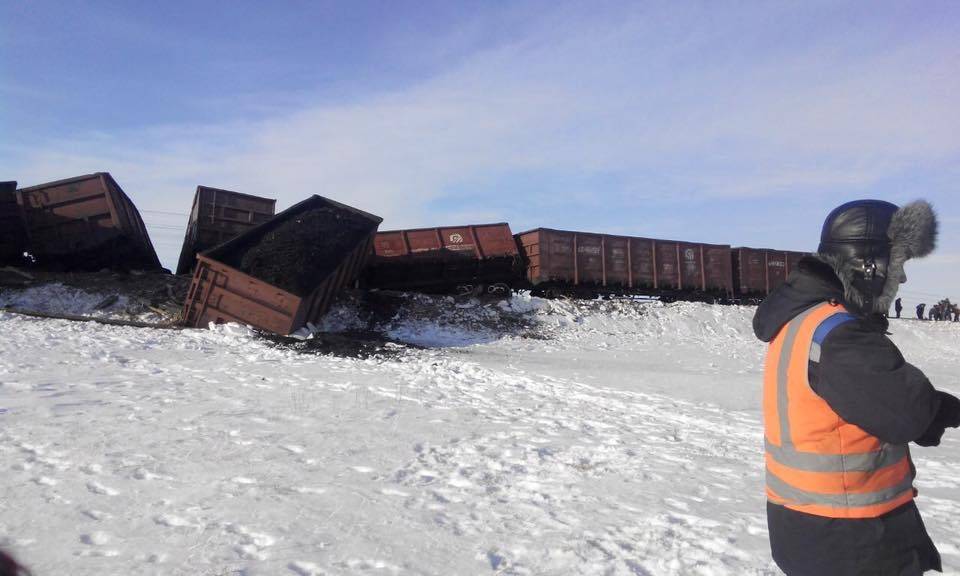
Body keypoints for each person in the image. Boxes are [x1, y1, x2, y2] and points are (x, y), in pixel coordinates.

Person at [753, 199, 960, 576]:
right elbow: (908, 412)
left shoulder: (804, 319)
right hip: (852, 538)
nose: (903, 279)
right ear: (869, 264)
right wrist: (943, 411)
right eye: (899, 264)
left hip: (808, 524)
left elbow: (867, 397)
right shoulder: (840, 334)